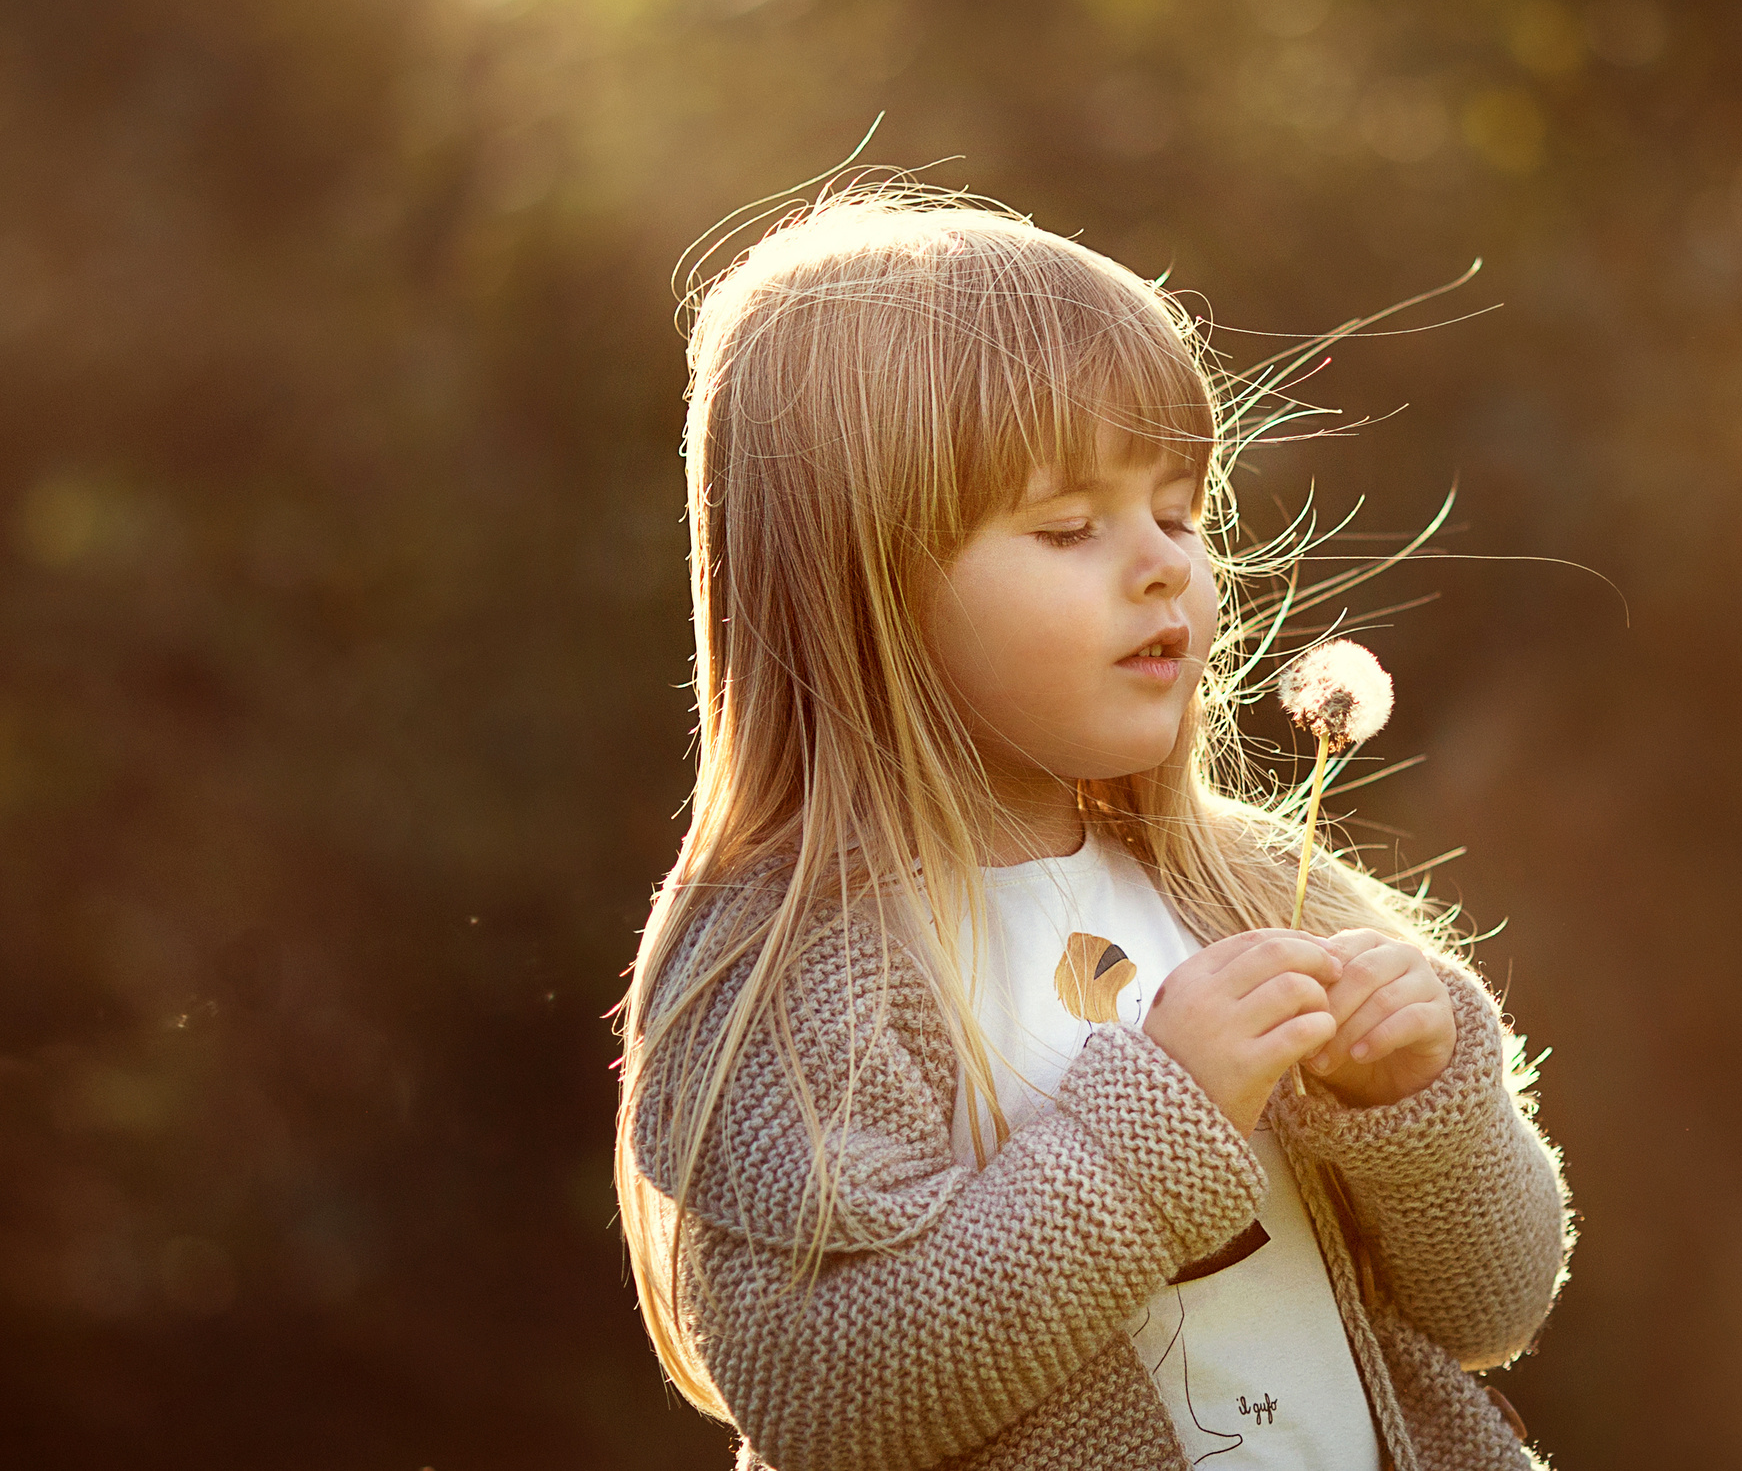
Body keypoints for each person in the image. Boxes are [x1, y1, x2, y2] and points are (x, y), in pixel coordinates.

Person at [611, 186, 1573, 1471]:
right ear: (861, 589)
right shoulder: (791, 970)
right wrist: (1161, 1115)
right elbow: (833, 1395)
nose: (1165, 562)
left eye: (1180, 511)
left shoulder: (1242, 888)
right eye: (1069, 526)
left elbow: (1494, 1308)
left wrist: (1421, 1105)